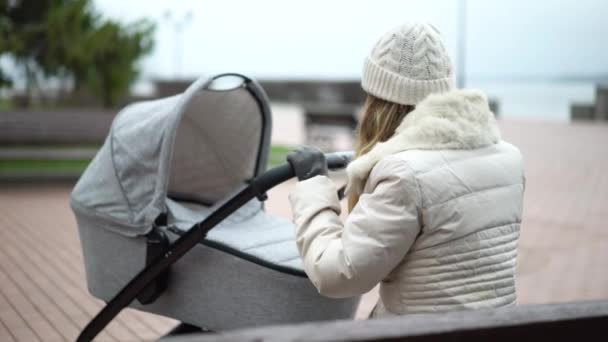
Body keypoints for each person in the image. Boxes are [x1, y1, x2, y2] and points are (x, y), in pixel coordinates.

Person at [286, 21, 525, 317]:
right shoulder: (509, 159)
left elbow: (337, 274)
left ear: (378, 99)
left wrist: (313, 185)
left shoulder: (404, 174)